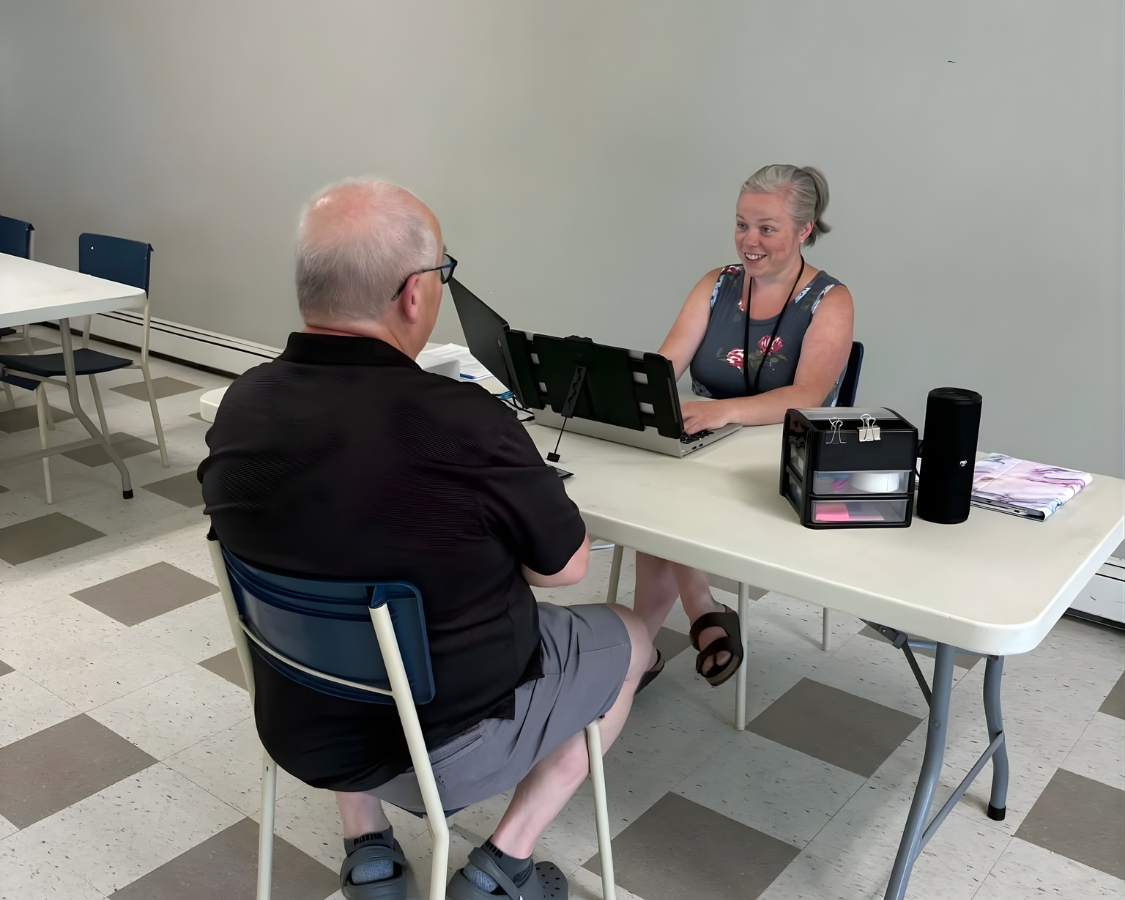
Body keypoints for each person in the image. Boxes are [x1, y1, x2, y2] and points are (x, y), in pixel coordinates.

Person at [198, 180, 651, 900]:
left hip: (299, 713)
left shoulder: (240, 404)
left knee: (340, 585)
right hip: (443, 745)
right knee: (631, 636)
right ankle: (503, 863)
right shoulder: (461, 418)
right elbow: (563, 568)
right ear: (414, 294)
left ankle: (369, 852)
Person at [633, 164, 854, 690]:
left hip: (778, 452)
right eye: (741, 225)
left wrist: (725, 411)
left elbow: (808, 396)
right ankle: (693, 615)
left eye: (766, 228)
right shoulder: (716, 285)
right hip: (706, 442)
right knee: (657, 495)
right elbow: (666, 367)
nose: (748, 242)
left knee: (661, 505)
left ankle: (643, 646)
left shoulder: (831, 300)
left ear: (804, 230)